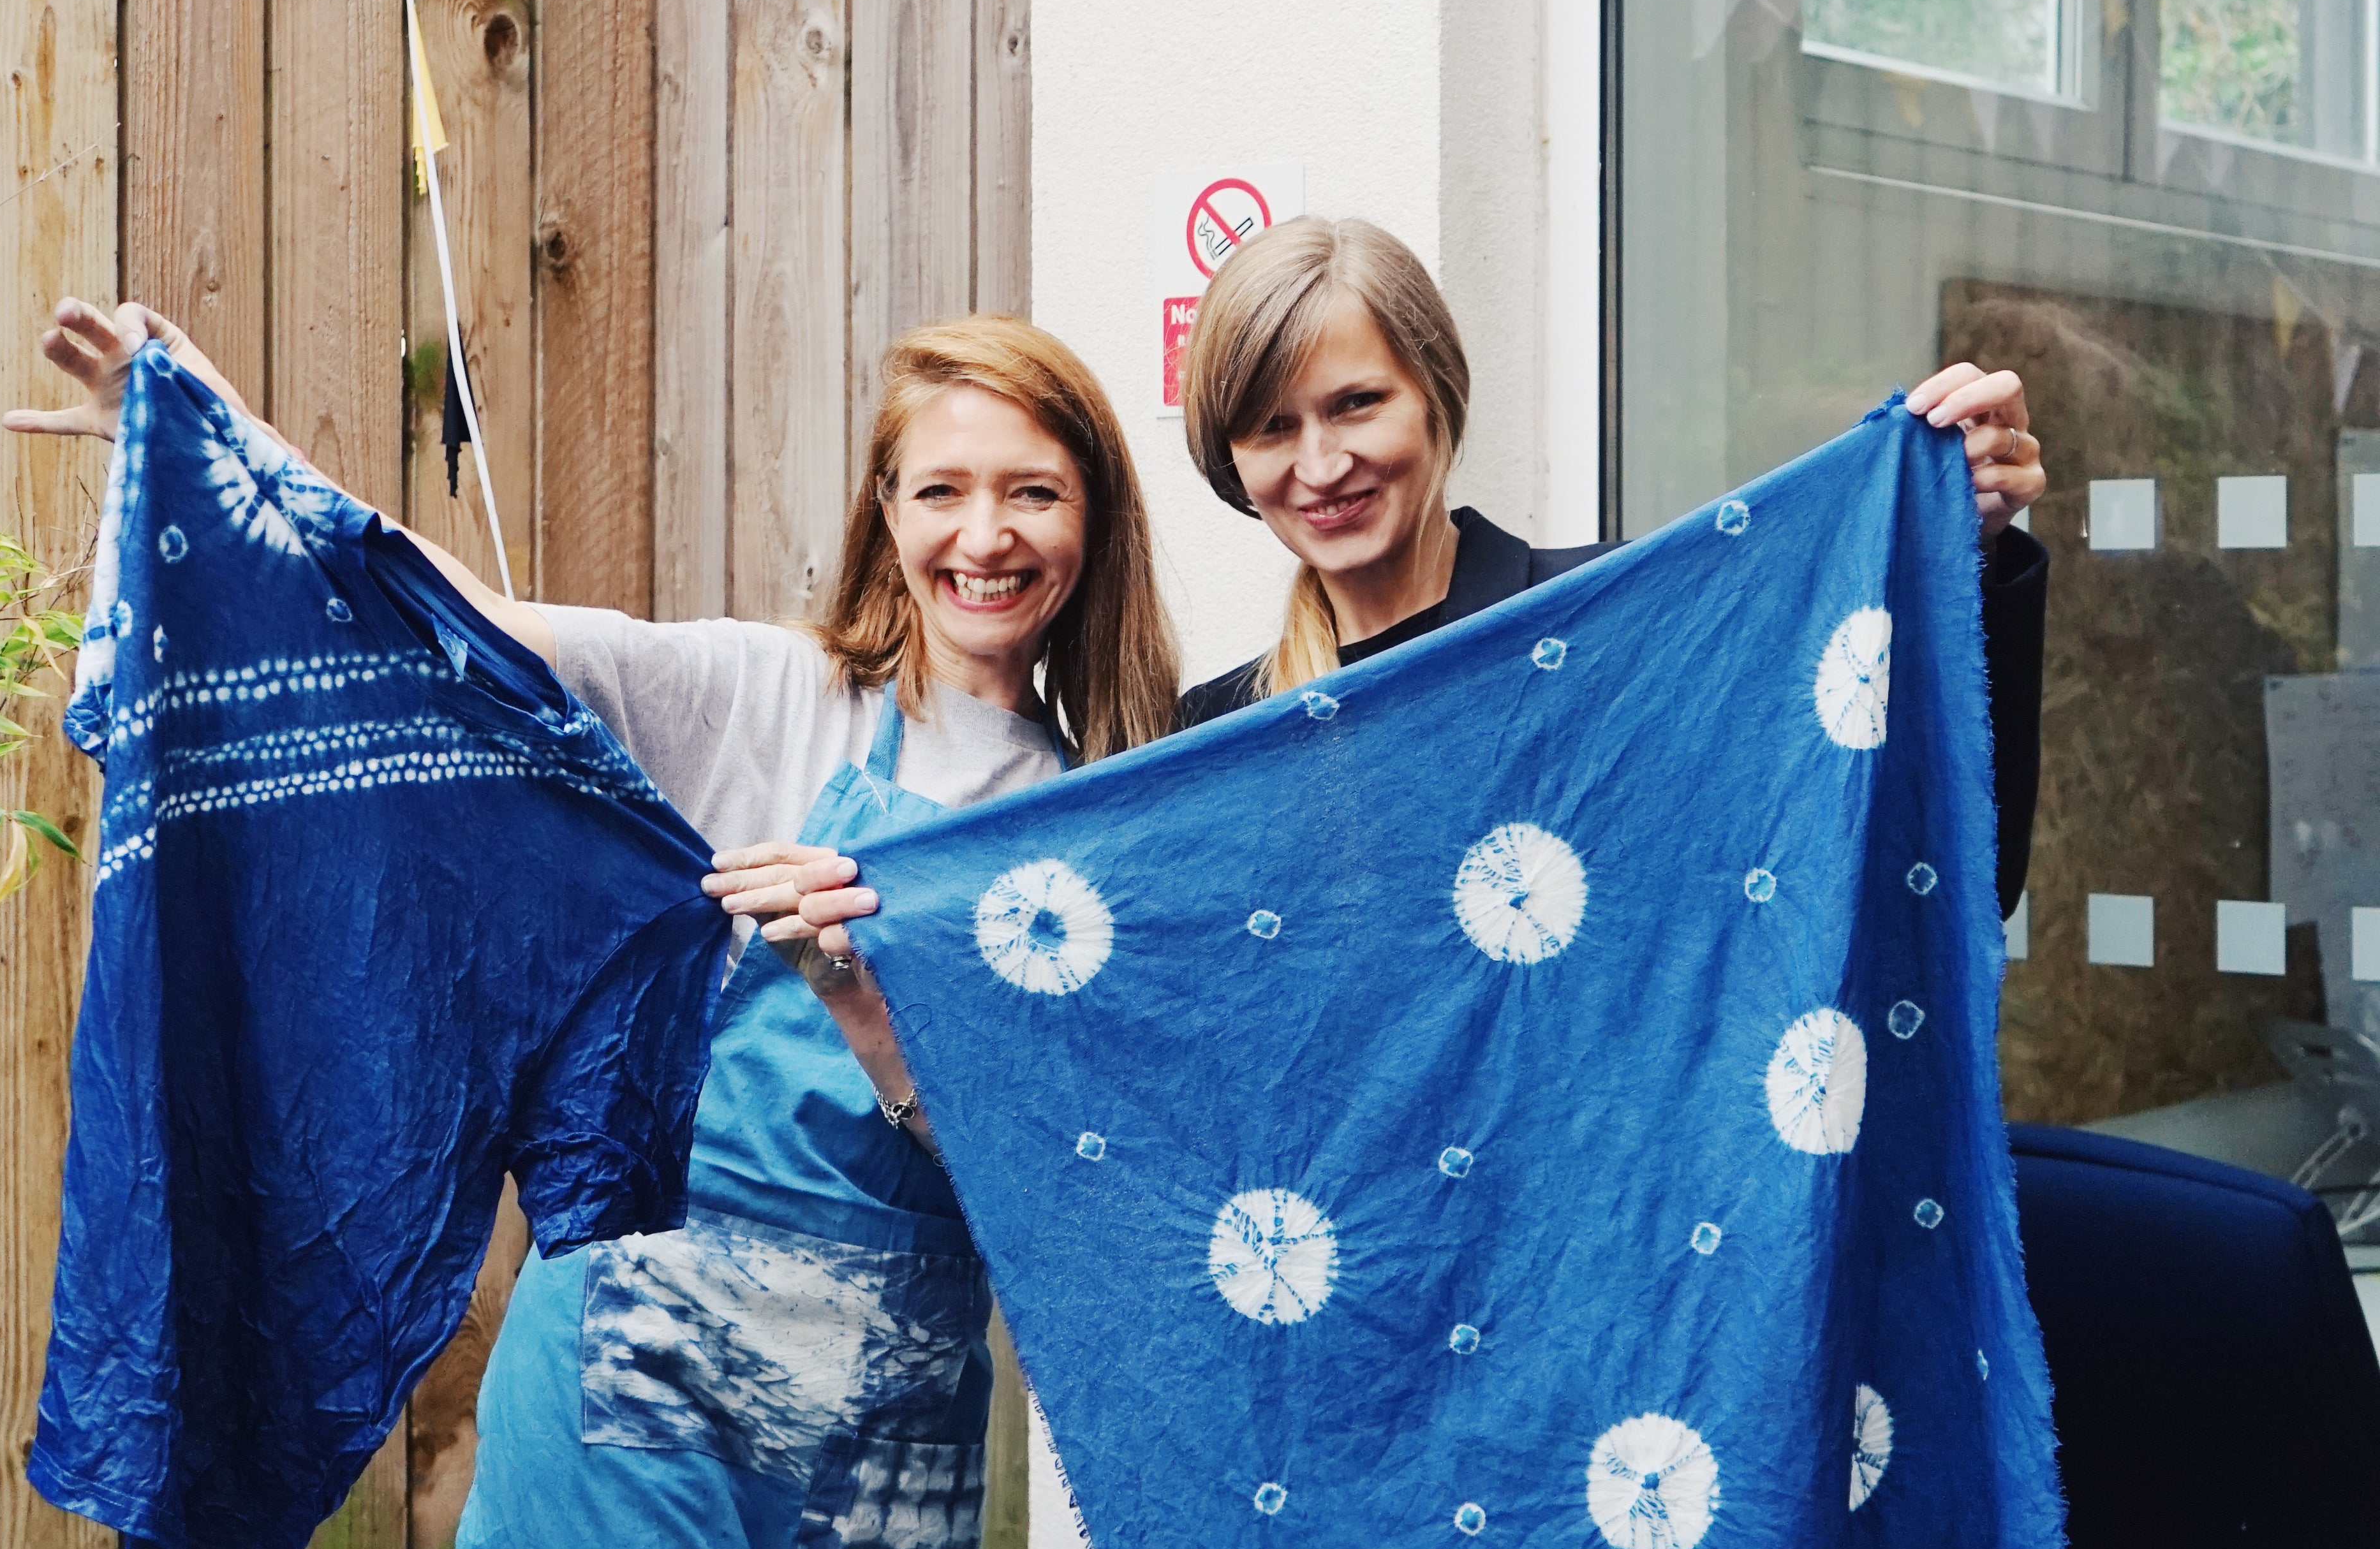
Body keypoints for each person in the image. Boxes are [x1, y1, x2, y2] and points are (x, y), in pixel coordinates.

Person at [6, 300, 1179, 1549]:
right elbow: (459, 622)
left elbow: (1061, 1206)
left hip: (884, 1422)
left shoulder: (1101, 827)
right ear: (886, 517)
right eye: (940, 490)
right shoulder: (771, 697)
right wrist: (212, 434)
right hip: (642, 1378)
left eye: (1033, 493)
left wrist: (874, 1017)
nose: (983, 535)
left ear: (1093, 519)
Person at [778, 217, 2048, 990]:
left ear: (1436, 396)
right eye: (1270, 428)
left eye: (1354, 405)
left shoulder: (1612, 626)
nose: (1319, 465)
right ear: (1231, 466)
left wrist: (1969, 562)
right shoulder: (1199, 746)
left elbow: (1933, 855)